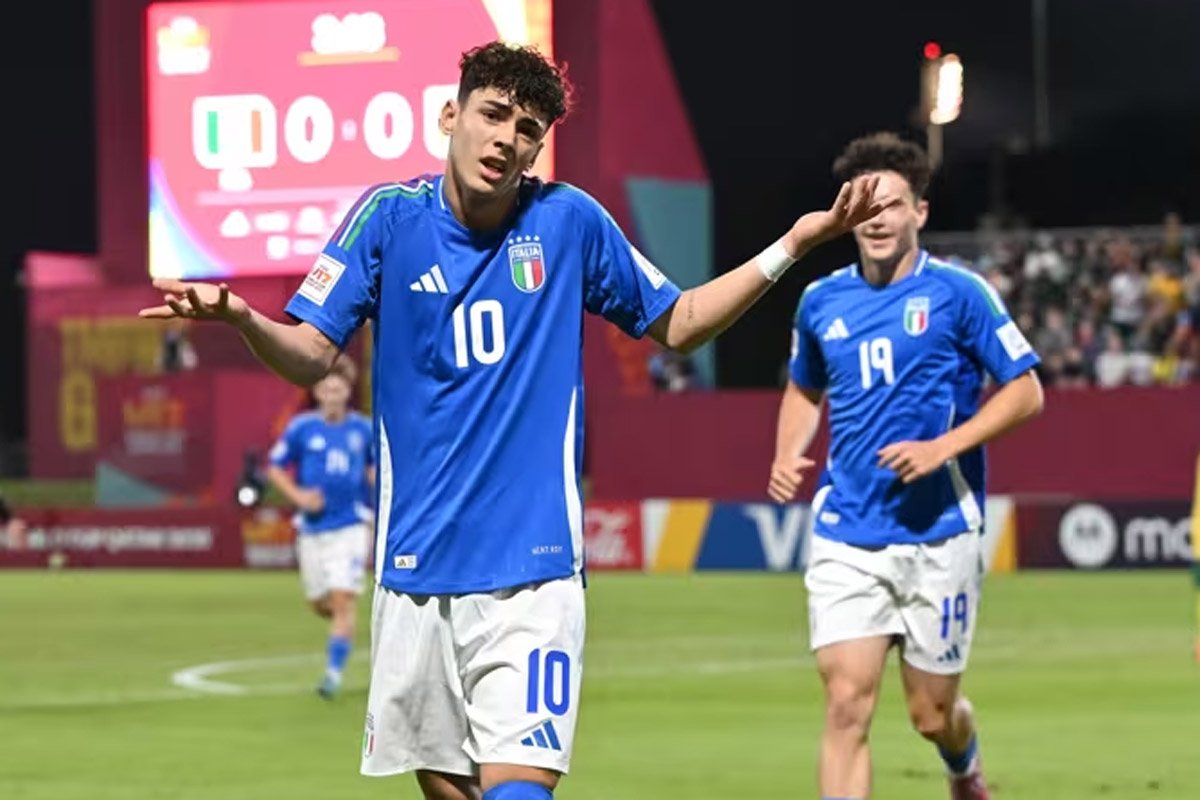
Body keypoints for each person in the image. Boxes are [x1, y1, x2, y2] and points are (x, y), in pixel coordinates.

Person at [139, 40, 887, 800]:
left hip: (532, 570)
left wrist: (793, 245)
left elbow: (683, 320)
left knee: (518, 786)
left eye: (526, 129)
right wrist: (241, 318)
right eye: (492, 115)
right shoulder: (385, 220)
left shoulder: (567, 222)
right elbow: (308, 354)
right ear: (450, 115)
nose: (506, 139)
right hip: (414, 573)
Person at [767, 132, 1044, 800]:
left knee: (931, 715)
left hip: (940, 533)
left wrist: (942, 449)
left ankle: (963, 767)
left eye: (893, 204)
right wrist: (787, 450)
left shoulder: (960, 294)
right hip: (848, 530)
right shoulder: (820, 302)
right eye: (866, 205)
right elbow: (805, 386)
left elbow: (1026, 392)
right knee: (845, 705)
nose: (879, 218)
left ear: (919, 211)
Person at [265, 353, 374, 699]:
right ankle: (343, 622)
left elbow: (375, 471)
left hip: (351, 526)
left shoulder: (363, 429)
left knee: (342, 601)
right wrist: (298, 496)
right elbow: (275, 468)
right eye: (326, 388)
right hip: (312, 529)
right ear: (318, 392)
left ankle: (332, 674)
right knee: (320, 603)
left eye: (338, 388)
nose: (332, 394)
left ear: (347, 391)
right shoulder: (302, 428)